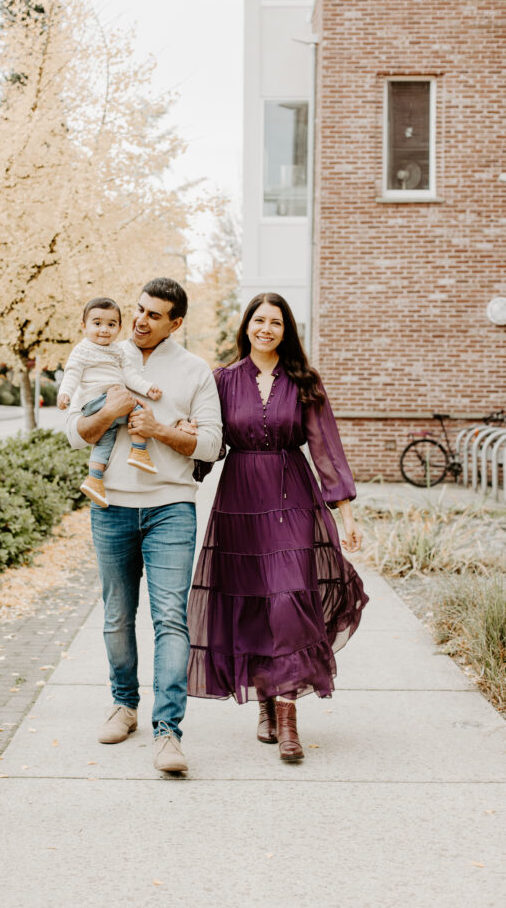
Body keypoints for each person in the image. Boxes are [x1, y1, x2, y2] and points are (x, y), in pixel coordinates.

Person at [185, 292, 368, 762]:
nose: (266, 328)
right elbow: (209, 446)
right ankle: (264, 699)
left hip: (292, 499)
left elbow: (326, 449)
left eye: (276, 323)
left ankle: (287, 721)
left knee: (288, 602)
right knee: (252, 607)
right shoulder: (222, 379)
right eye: (259, 320)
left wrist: (346, 517)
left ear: (286, 332)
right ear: (247, 325)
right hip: (240, 503)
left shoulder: (304, 381)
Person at [64, 278, 222, 774]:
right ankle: (124, 704)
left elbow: (212, 445)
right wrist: (108, 411)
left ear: (176, 322)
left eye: (155, 315)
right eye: (138, 309)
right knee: (116, 614)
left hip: (171, 506)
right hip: (109, 505)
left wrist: (160, 430)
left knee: (171, 618)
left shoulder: (196, 371)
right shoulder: (102, 352)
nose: (139, 320)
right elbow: (72, 431)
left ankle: (168, 731)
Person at [57, 297, 163, 508]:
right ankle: (139, 450)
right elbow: (72, 374)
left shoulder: (117, 351)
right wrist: (65, 393)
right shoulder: (82, 350)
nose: (104, 330)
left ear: (120, 328)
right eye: (97, 324)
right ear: (84, 326)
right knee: (140, 410)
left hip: (106, 402)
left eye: (111, 325)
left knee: (106, 440)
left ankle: (94, 479)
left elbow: (130, 376)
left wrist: (147, 387)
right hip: (97, 401)